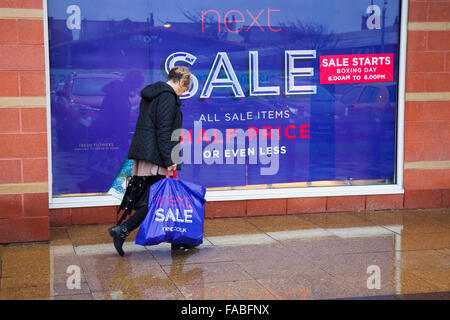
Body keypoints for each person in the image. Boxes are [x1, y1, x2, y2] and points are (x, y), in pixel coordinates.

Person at [108, 66, 193, 256]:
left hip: (149, 154)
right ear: (180, 82)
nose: (182, 94)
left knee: (157, 198)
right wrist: (169, 159)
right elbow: (163, 131)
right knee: (158, 199)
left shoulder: (154, 94)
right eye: (183, 90)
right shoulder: (167, 97)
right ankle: (122, 230)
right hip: (156, 157)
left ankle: (176, 241)